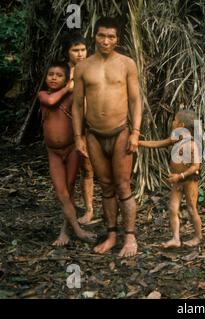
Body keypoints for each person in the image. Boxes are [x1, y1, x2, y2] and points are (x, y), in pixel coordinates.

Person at [72, 17, 142, 258]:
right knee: (105, 186)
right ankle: (112, 234)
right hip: (93, 135)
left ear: (117, 39)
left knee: (123, 185)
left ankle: (130, 237)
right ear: (95, 36)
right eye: (102, 35)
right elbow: (77, 105)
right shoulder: (83, 67)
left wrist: (135, 132)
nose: (105, 40)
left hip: (121, 132)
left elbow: (135, 100)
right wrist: (78, 136)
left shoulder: (126, 64)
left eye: (111, 36)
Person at [38, 61, 96, 246]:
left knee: (69, 190)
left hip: (71, 149)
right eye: (50, 74)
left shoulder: (72, 98)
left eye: (59, 75)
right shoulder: (43, 95)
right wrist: (68, 87)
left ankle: (65, 232)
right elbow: (51, 101)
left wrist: (76, 88)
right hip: (54, 152)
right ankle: (78, 230)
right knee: (61, 193)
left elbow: (85, 109)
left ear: (66, 79)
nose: (54, 77)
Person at [139, 110, 202, 248]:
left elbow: (196, 166)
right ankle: (175, 238)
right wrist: (139, 142)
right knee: (173, 208)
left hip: (189, 181)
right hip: (177, 181)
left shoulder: (192, 145)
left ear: (181, 124)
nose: (172, 122)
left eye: (174, 120)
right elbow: (159, 143)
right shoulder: (175, 139)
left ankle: (198, 237)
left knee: (192, 209)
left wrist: (181, 176)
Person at [63, 33, 95, 224]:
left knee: (88, 168)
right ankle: (69, 208)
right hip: (68, 127)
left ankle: (90, 209)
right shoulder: (62, 71)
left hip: (90, 126)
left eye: (83, 50)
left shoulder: (93, 68)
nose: (80, 54)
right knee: (70, 171)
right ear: (68, 52)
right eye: (75, 50)